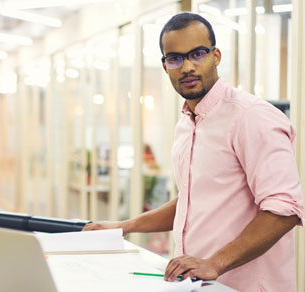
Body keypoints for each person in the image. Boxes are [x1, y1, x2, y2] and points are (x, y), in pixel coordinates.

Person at [83, 12, 303, 292]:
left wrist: (215, 263)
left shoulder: (252, 117)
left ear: (216, 56)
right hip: (195, 285)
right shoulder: (187, 123)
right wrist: (124, 226)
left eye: (197, 54)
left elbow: (284, 210)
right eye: (175, 58)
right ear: (165, 67)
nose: (186, 66)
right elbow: (192, 200)